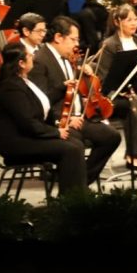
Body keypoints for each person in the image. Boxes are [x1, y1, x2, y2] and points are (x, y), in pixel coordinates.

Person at [0, 40, 96, 195]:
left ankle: (78, 194)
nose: (33, 57)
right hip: (16, 143)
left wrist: (62, 90)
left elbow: (40, 106)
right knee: (71, 149)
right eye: (30, 55)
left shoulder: (21, 80)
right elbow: (28, 122)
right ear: (21, 63)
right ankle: (71, 199)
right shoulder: (10, 87)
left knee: (75, 141)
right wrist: (56, 132)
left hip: (27, 135)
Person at [28, 15, 119, 181]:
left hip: (78, 117)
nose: (76, 44)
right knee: (75, 144)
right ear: (58, 37)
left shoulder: (68, 57)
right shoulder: (40, 61)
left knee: (112, 137)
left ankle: (83, 179)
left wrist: (84, 81)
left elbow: (74, 89)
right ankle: (75, 183)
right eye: (73, 39)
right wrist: (67, 118)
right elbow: (40, 101)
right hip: (58, 121)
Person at [94, 5, 137, 171]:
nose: (134, 23)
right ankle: (132, 155)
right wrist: (120, 91)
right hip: (114, 94)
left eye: (136, 19)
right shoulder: (109, 44)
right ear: (117, 22)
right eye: (129, 20)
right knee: (134, 105)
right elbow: (103, 77)